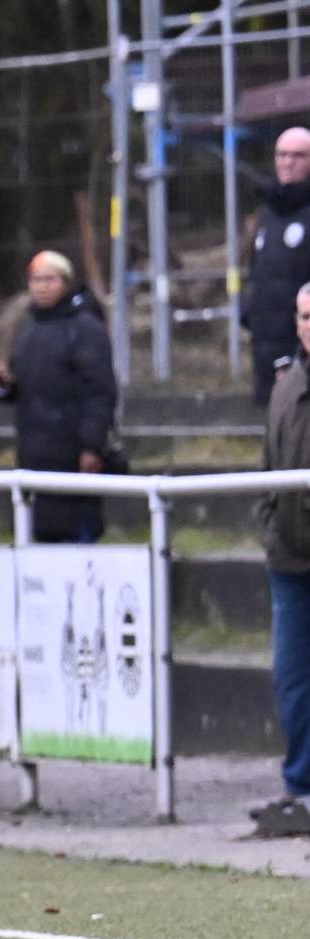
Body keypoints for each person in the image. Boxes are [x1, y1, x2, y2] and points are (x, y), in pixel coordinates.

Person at [0, 252, 117, 545]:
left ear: (66, 283)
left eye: (50, 280)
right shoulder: (28, 328)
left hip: (72, 452)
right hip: (34, 451)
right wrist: (3, 385)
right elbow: (21, 388)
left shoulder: (85, 328)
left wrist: (92, 446)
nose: (42, 287)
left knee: (76, 532)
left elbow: (99, 392)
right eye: (36, 280)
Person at [251, 283, 310, 837]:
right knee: (291, 678)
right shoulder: (286, 386)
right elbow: (267, 468)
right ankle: (299, 786)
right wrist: (270, 527)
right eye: (305, 316)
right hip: (289, 560)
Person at [245, 129, 310, 408]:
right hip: (265, 346)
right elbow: (255, 270)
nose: (287, 162)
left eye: (298, 155)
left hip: (302, 346)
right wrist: (248, 311)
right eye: (281, 155)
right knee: (275, 423)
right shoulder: (266, 213)